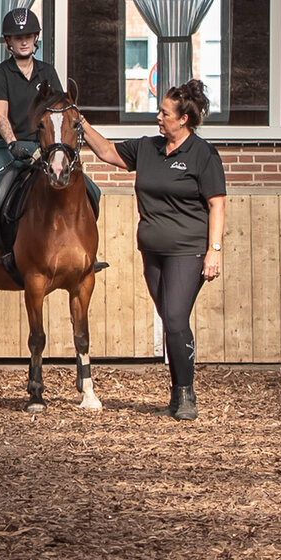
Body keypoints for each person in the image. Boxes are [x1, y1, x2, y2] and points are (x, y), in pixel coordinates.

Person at [80, 79, 226, 421]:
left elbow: (217, 205)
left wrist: (214, 250)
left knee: (175, 318)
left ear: (183, 119)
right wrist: (81, 124)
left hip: (188, 251)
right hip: (152, 251)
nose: (158, 117)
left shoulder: (203, 155)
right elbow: (107, 151)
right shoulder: (148, 148)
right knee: (171, 321)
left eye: (164, 113)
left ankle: (187, 396)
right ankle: (176, 395)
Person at [0, 6, 63, 278]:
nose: (23, 41)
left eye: (29, 35)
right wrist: (12, 143)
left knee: (88, 190)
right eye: (17, 37)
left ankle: (83, 250)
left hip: (43, 149)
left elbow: (58, 113)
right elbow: (1, 116)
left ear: (36, 38)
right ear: (8, 41)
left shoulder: (48, 73)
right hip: (10, 149)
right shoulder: (0, 74)